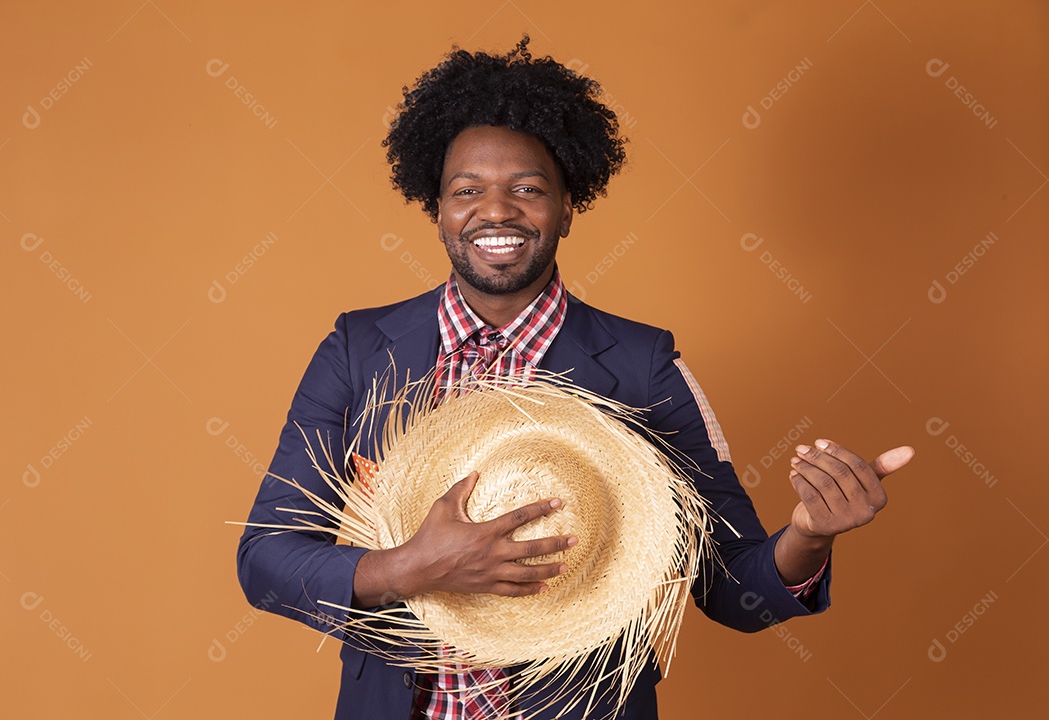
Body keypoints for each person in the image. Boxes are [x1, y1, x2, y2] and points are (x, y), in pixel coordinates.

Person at [237, 37, 914, 720]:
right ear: (437, 209)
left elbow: (734, 590)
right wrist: (406, 569)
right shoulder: (359, 350)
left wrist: (809, 537)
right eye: (467, 191)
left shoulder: (642, 365)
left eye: (527, 190)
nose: (495, 211)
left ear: (567, 207)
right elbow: (264, 559)